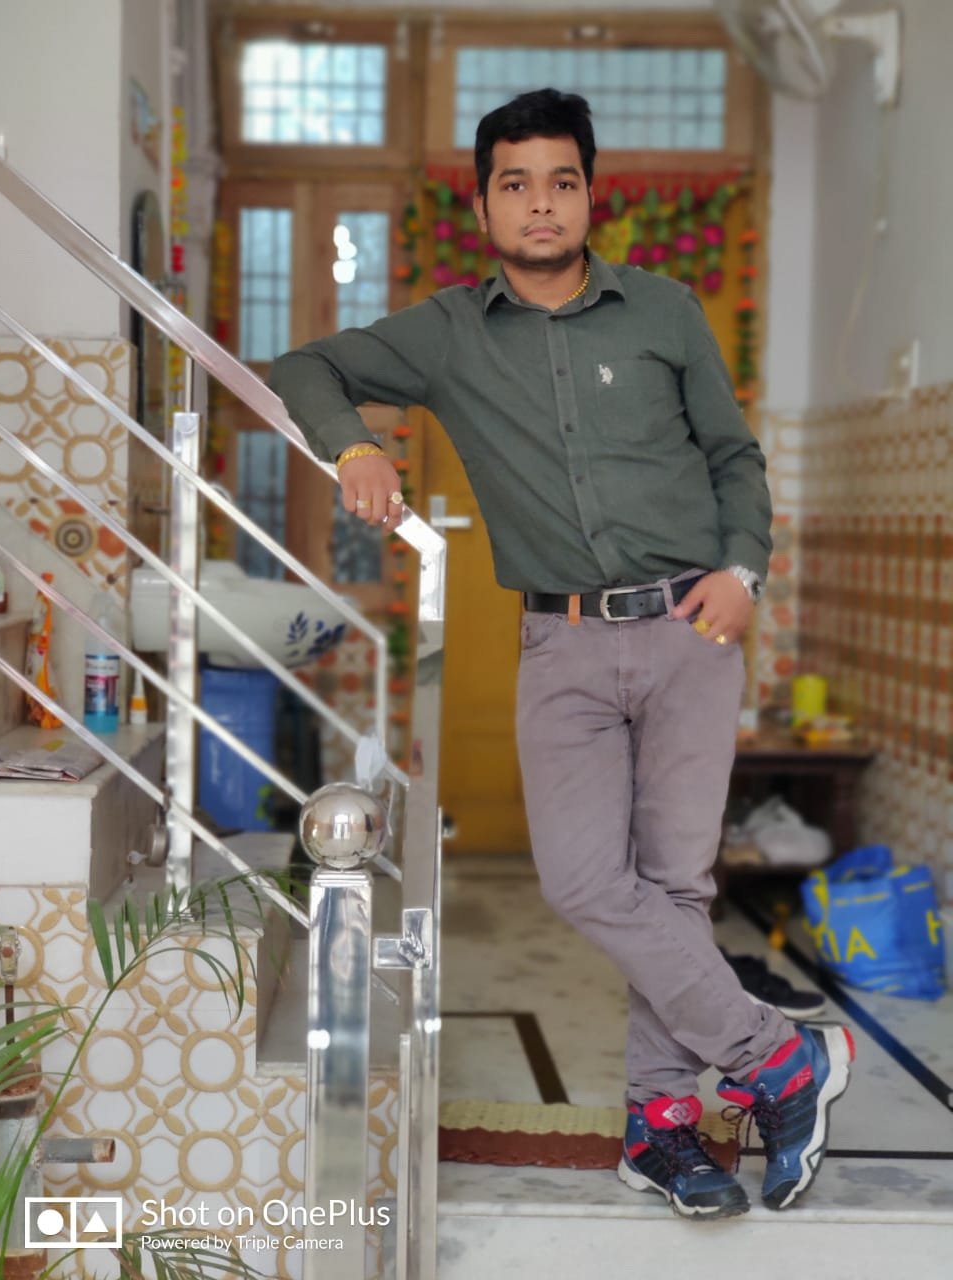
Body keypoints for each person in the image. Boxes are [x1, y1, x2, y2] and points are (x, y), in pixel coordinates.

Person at [269, 88, 854, 1220]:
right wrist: (351, 447)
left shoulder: (665, 311)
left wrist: (744, 572)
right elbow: (303, 368)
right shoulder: (446, 331)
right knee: (585, 880)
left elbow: (735, 459)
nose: (541, 203)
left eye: (562, 181)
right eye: (516, 183)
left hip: (692, 628)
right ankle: (782, 1058)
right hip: (564, 643)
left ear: (591, 196)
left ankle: (660, 1130)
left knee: (674, 889)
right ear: (483, 204)